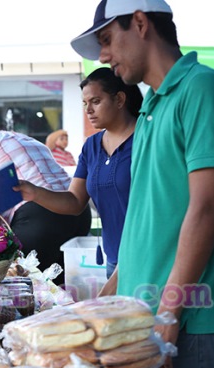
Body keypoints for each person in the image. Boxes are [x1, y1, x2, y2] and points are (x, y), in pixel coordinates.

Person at [71, 0, 214, 368]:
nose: (103, 55)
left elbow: (206, 208)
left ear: (140, 23)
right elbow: (145, 221)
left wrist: (169, 315)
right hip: (147, 320)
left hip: (192, 323)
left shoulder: (202, 88)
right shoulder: (150, 106)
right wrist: (103, 300)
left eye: (107, 39)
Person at [16, 67, 142, 280]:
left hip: (149, 256)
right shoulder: (92, 146)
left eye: (96, 101)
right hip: (114, 259)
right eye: (85, 104)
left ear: (120, 99)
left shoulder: (146, 139)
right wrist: (33, 192)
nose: (88, 110)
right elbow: (74, 202)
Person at [0, 110, 92, 276]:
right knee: (63, 284)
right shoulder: (28, 140)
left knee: (28, 287)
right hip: (78, 212)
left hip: (39, 218)